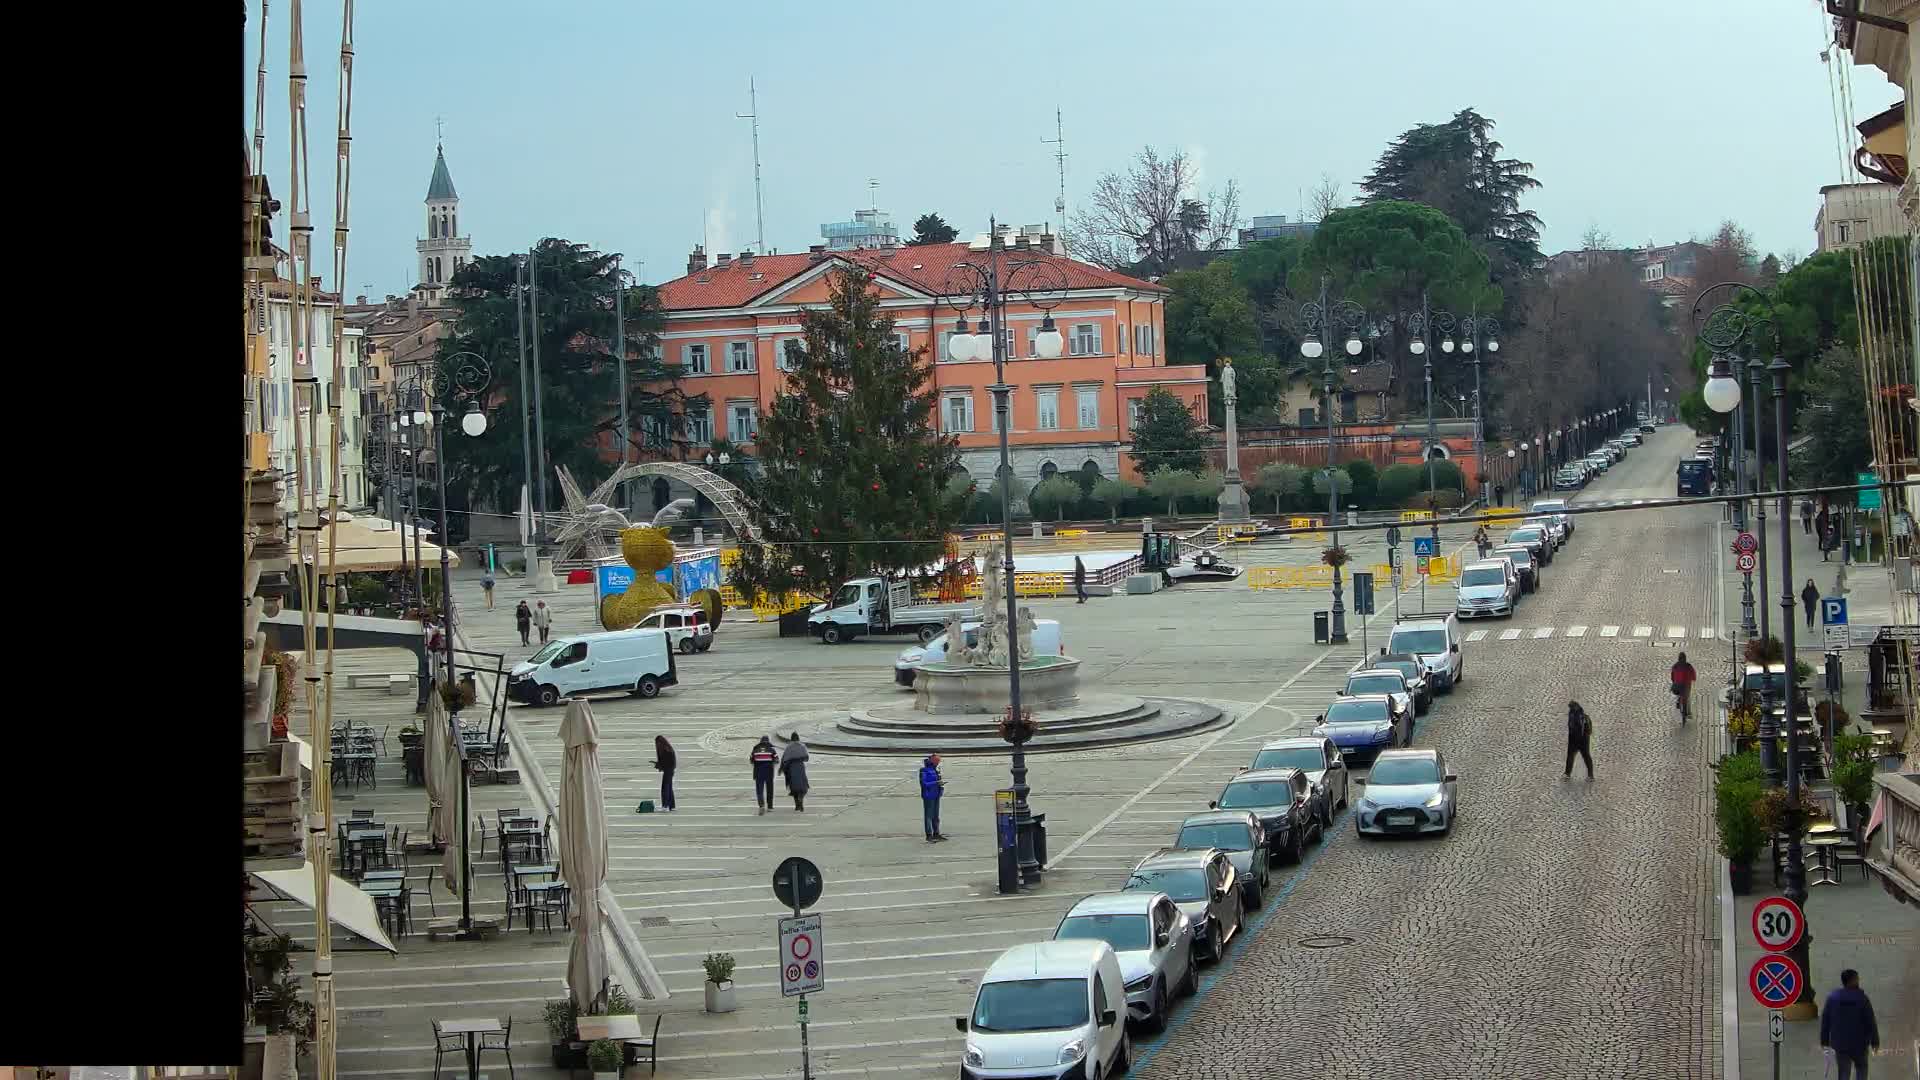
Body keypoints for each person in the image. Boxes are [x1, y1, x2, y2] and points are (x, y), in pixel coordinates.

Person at [1819, 968, 1879, 1080]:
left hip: (1840, 1044)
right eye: (1857, 979)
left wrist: (1824, 1041)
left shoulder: (1833, 998)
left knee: (1843, 1072)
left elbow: (1826, 1020)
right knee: (1861, 1069)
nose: (1858, 980)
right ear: (1852, 980)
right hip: (1860, 1044)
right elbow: (1870, 1021)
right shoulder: (1862, 999)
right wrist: (1875, 1042)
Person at [780, 731, 811, 812]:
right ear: (798, 738)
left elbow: (784, 759)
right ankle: (801, 800)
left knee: (793, 786)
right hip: (800, 767)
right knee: (803, 785)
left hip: (791, 768)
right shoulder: (802, 746)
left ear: (791, 738)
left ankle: (797, 805)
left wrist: (781, 769)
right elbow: (806, 758)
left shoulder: (788, 747)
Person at [919, 753, 946, 842]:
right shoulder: (924, 770)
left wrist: (941, 787)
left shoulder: (936, 770)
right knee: (928, 816)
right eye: (937, 761)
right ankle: (929, 835)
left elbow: (938, 781)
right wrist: (936, 783)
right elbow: (924, 784)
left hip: (936, 794)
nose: (938, 763)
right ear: (933, 761)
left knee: (936, 816)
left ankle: (936, 833)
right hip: (928, 796)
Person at [1564, 701, 1593, 780]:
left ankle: (1568, 774)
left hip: (1580, 739)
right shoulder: (1573, 715)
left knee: (1584, 756)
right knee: (1577, 756)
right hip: (1577, 739)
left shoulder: (1579, 717)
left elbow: (1586, 730)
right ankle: (1590, 775)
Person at [750, 736, 778, 815]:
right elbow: (776, 760)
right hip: (769, 772)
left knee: (759, 790)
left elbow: (751, 761)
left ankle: (761, 805)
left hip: (758, 772)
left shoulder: (755, 750)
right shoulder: (771, 750)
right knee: (770, 789)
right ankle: (770, 807)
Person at [652, 734, 677, 812]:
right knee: (669, 788)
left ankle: (665, 806)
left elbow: (665, 763)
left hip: (668, 770)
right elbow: (669, 762)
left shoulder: (665, 751)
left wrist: (658, 765)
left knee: (665, 788)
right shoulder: (669, 749)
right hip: (670, 770)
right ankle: (671, 806)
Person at [1670, 652, 1697, 721]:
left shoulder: (1675, 666)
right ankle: (1688, 713)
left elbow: (1672, 677)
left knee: (1678, 694)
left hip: (1677, 687)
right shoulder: (1688, 666)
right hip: (1686, 686)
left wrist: (1674, 681)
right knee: (1687, 698)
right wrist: (1693, 679)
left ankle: (1678, 700)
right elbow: (1693, 675)